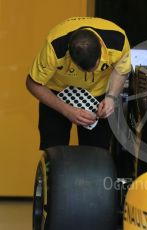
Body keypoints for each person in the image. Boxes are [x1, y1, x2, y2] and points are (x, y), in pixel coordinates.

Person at [26, 17, 131, 150]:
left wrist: (111, 97)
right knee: (53, 154)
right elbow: (32, 83)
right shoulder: (54, 47)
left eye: (96, 65)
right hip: (57, 92)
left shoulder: (118, 40)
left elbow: (121, 70)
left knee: (96, 154)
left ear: (100, 45)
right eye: (82, 69)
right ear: (70, 55)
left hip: (99, 94)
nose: (90, 73)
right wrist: (67, 110)